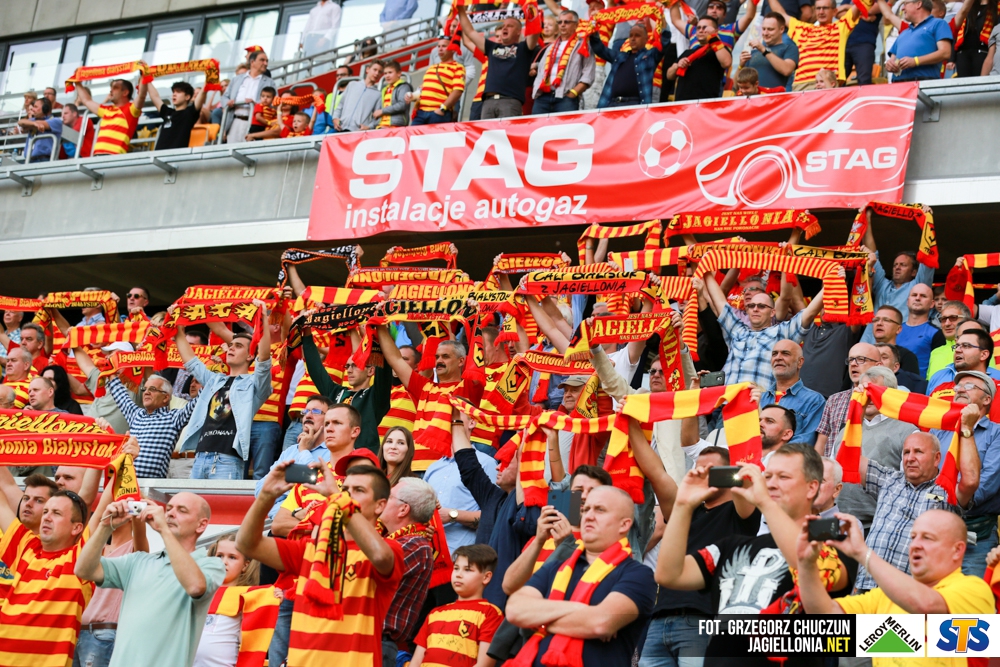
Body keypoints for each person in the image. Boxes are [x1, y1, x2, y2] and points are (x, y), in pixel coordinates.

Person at [657, 443, 854, 661]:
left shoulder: (837, 541)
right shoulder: (734, 545)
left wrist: (765, 503)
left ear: (811, 488)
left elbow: (806, 563)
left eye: (783, 477)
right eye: (767, 477)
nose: (771, 484)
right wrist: (683, 505)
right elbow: (669, 575)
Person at [237, 463, 404, 667]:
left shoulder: (391, 548)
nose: (346, 495)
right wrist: (265, 496)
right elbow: (246, 544)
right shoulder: (310, 549)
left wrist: (338, 498)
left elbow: (379, 556)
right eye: (345, 489)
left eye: (359, 490)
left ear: (380, 506)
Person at [506, 486, 657, 666]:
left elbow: (600, 622)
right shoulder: (555, 567)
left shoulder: (639, 575)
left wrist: (538, 621)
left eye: (600, 510)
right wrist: (584, 611)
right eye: (586, 510)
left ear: (624, 524)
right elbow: (514, 609)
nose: (589, 516)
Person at [638, 447, 760, 667]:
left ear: (730, 473)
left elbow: (744, 486)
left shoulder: (739, 514)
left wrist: (740, 472)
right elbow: (656, 473)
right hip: (659, 620)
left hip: (703, 621)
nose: (702, 474)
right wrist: (631, 428)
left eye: (711, 470)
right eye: (698, 468)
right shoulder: (685, 511)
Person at [75, 492, 226, 667]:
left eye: (182, 510)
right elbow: (83, 570)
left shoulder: (210, 564)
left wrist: (164, 530)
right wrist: (105, 526)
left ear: (201, 525)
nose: (170, 514)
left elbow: (195, 587)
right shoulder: (138, 561)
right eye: (169, 509)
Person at [0, 452, 120, 666]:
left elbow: (105, 505)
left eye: (56, 513)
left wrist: (119, 457)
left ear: (77, 527)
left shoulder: (80, 559)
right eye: (45, 511)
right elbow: (2, 501)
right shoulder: (25, 547)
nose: (46, 517)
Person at [798, 510, 993, 626]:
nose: (915, 545)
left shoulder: (975, 589)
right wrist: (806, 564)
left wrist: (863, 553)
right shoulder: (885, 596)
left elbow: (925, 606)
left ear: (957, 550)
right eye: (913, 537)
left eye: (927, 538)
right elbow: (824, 616)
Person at [852, 428, 980, 592]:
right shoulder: (889, 480)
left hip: (911, 594)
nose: (910, 458)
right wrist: (857, 415)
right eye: (906, 452)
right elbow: (850, 457)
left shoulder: (947, 490)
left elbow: (970, 481)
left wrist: (967, 431)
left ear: (936, 458)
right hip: (867, 585)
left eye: (918, 452)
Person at [174, 304, 273, 480]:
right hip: (200, 456)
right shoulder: (214, 380)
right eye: (230, 345)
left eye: (238, 346)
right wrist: (177, 325)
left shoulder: (255, 385)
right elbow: (190, 360)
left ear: (250, 356)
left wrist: (263, 318)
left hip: (227, 460)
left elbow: (264, 360)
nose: (231, 348)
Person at [694, 272, 825, 386]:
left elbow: (809, 313)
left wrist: (830, 282)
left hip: (757, 402)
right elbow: (719, 301)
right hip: (726, 402)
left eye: (761, 306)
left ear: (772, 312)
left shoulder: (781, 333)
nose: (755, 309)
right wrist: (705, 269)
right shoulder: (737, 330)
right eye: (751, 306)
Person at [928, 369, 1000, 577]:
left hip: (977, 535)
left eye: (969, 386)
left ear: (987, 399)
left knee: (971, 595)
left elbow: (986, 486)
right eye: (957, 386)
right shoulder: (937, 430)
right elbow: (926, 476)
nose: (959, 390)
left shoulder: (997, 434)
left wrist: (949, 499)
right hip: (936, 530)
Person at [828, 367, 917, 530]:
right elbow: (831, 478)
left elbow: (909, 486)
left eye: (874, 390)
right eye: (863, 390)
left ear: (890, 394)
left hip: (882, 526)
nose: (867, 396)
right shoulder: (844, 432)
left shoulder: (909, 432)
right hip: (840, 522)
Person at [410, 544, 504, 667]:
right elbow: (415, 662)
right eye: (456, 568)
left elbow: (484, 664)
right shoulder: (435, 613)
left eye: (467, 569)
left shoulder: (490, 613)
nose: (458, 574)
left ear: (486, 577)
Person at [379, 477, 436, 666]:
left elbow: (359, 573)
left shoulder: (415, 545)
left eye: (388, 497)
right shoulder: (393, 540)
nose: (381, 499)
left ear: (403, 509)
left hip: (376, 642)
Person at [103, 371, 199, 478]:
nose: (146, 392)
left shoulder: (173, 418)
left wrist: (211, 373)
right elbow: (119, 393)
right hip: (128, 482)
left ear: (165, 397)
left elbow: (200, 401)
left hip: (153, 484)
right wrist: (110, 371)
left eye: (152, 389)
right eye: (144, 389)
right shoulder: (136, 414)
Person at [257, 395, 334, 517]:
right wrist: (293, 513)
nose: (308, 416)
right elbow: (261, 490)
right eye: (305, 411)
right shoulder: (291, 451)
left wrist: (304, 451)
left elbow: (315, 489)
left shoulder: (333, 451)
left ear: (329, 420)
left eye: (316, 412)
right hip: (285, 521)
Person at [192, 534, 261, 667]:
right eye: (219, 556)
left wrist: (273, 598)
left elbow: (249, 642)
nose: (224, 562)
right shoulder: (199, 592)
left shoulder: (248, 597)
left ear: (245, 565)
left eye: (232, 557)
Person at [458, 8, 540, 118]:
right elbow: (470, 32)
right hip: (488, 101)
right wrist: (461, 11)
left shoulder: (524, 48)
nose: (504, 28)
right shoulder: (492, 47)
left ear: (518, 32)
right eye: (503, 26)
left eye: (510, 26)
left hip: (511, 101)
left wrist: (532, 9)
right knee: (486, 130)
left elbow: (534, 31)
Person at [769, 0, 860, 89]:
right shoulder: (801, 28)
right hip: (802, 85)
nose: (821, 12)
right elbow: (781, 14)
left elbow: (860, 5)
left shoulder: (840, 27)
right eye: (818, 8)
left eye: (825, 8)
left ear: (834, 11)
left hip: (827, 83)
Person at [815, 342, 881, 457]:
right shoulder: (834, 400)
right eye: (851, 360)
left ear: (878, 366)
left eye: (861, 359)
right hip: (832, 466)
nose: (853, 364)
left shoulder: (886, 399)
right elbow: (821, 443)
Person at [760, 339, 826, 447]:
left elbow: (805, 441)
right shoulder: (759, 398)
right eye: (774, 354)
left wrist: (771, 453)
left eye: (785, 353)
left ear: (800, 362)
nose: (778, 357)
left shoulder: (814, 400)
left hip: (788, 457)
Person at [591, 22, 670, 108]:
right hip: (612, 105)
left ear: (646, 39)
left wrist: (663, 24)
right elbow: (600, 49)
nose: (633, 38)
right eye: (631, 35)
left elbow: (664, 42)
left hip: (636, 107)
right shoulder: (619, 56)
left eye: (637, 35)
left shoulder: (649, 56)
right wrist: (593, 34)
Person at [531, 10, 595, 114]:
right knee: (538, 125)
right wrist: (536, 66)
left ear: (576, 25)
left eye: (567, 22)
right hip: (543, 97)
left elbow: (588, 74)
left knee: (565, 125)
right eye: (560, 22)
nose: (562, 25)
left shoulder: (583, 45)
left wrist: (573, 93)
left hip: (565, 98)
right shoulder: (551, 46)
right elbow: (545, 67)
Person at [666, 17, 733, 102]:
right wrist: (677, 66)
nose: (701, 30)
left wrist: (714, 37)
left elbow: (726, 63)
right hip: (683, 104)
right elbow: (669, 75)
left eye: (705, 28)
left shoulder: (719, 50)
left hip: (706, 104)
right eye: (698, 28)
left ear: (715, 31)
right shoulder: (687, 52)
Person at [75, 77, 149, 155]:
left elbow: (142, 95)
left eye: (115, 88)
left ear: (125, 92)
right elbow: (86, 100)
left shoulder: (131, 109)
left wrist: (144, 75)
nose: (111, 90)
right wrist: (77, 82)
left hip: (115, 157)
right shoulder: (106, 110)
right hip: (97, 156)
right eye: (111, 87)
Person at [885, 0, 954, 81]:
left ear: (919, 4)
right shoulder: (904, 32)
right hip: (899, 84)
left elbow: (945, 53)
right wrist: (889, 64)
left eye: (905, 4)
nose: (903, 8)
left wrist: (916, 61)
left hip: (924, 83)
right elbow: (892, 59)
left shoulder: (938, 23)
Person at [222, 51, 276, 144]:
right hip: (235, 122)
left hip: (256, 124)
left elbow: (275, 103)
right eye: (262, 60)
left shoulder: (270, 82)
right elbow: (224, 97)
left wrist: (257, 105)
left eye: (267, 61)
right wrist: (228, 102)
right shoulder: (236, 79)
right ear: (252, 62)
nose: (266, 63)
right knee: (231, 150)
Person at [149, 81, 207, 150]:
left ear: (187, 97)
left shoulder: (189, 113)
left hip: (178, 155)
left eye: (178, 92)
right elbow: (154, 97)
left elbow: (203, 92)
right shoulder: (167, 112)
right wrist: (147, 79)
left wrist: (208, 79)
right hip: (159, 154)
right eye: (173, 92)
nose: (174, 94)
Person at [897, 283, 938, 377]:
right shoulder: (895, 330)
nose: (918, 298)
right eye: (914, 295)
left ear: (932, 304)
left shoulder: (936, 333)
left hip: (920, 384)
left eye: (923, 296)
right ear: (907, 301)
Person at [870, 305, 922, 375]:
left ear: (898, 329)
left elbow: (910, 381)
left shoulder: (907, 356)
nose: (879, 323)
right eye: (876, 320)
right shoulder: (863, 352)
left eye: (886, 320)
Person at [333, 60, 384, 132]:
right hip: (341, 128)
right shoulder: (352, 84)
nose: (377, 73)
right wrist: (335, 118)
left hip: (358, 131)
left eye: (380, 72)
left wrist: (369, 127)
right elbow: (340, 105)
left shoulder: (378, 94)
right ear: (367, 69)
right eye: (375, 70)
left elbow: (377, 117)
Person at [927, 301, 973, 379]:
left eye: (953, 318)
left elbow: (991, 380)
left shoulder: (978, 348)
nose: (947, 323)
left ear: (966, 321)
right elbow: (930, 384)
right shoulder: (935, 353)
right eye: (943, 319)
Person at [17, 97, 63, 163]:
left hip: (45, 160)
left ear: (45, 109)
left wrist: (33, 123)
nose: (33, 109)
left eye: (35, 107)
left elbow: (42, 124)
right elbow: (20, 122)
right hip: (29, 160)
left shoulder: (56, 121)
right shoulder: (33, 120)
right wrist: (34, 124)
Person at [373, 60, 412, 128]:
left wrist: (382, 111)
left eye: (390, 72)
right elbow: (378, 111)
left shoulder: (403, 86)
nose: (387, 76)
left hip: (396, 125)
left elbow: (402, 105)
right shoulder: (384, 89)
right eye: (385, 73)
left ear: (399, 73)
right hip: (381, 126)